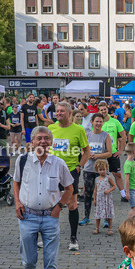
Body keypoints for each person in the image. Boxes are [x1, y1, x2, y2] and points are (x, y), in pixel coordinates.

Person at [12, 125, 73, 269]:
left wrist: (59, 207)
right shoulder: (22, 161)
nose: (43, 142)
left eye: (46, 138)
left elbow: (69, 188)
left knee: (51, 261)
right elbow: (16, 182)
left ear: (51, 142)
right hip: (27, 216)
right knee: (29, 260)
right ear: (32, 141)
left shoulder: (59, 163)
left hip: (50, 218)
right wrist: (17, 202)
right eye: (39, 138)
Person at [48, 102, 90, 251]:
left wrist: (80, 165)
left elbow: (86, 150)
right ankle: (48, 236)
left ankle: (73, 238)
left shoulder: (78, 130)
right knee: (50, 204)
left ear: (69, 113)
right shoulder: (51, 128)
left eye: (61, 111)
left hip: (71, 170)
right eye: (57, 111)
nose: (58, 113)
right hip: (52, 171)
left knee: (71, 204)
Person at [81, 113, 115, 226]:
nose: (98, 124)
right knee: (88, 194)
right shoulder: (87, 135)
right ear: (92, 122)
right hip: (89, 168)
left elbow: (109, 153)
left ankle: (106, 219)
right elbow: (82, 150)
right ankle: (86, 217)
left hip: (102, 170)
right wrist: (87, 154)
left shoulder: (106, 136)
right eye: (96, 121)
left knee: (103, 194)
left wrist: (97, 156)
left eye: (100, 122)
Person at [91, 160, 117, 235]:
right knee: (98, 214)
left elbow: (114, 186)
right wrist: (94, 199)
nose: (102, 171)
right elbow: (95, 189)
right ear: (97, 170)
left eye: (104, 169)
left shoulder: (108, 178)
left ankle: (110, 229)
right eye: (100, 170)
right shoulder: (96, 179)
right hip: (99, 199)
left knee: (108, 214)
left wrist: (109, 190)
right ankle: (97, 228)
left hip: (107, 199)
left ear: (106, 169)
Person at [122, 142, 135, 218]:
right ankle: (128, 223)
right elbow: (126, 178)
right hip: (131, 189)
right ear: (134, 152)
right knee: (134, 207)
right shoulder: (128, 164)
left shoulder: (134, 163)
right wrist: (127, 191)